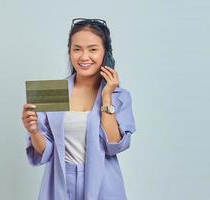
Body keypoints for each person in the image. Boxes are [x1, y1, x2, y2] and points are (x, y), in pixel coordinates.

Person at [21, 18, 136, 200]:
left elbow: (114, 145)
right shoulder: (53, 92)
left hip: (103, 186)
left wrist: (106, 96)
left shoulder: (118, 96)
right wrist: (34, 131)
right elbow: (46, 152)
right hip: (59, 184)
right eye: (77, 49)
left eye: (93, 49)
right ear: (69, 52)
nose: (84, 57)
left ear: (106, 53)